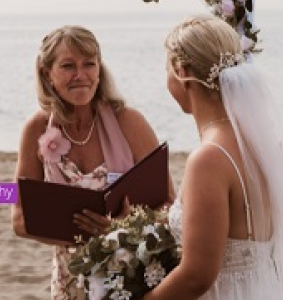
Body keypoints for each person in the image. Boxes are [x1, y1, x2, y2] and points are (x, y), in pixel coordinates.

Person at [138, 14, 283, 300]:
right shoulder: (258, 145)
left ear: (181, 70)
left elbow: (197, 275)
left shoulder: (208, 159)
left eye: (166, 69)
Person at [10, 25, 174, 300]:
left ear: (100, 69)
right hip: (70, 277)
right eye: (67, 66)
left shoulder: (129, 121)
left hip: (131, 274)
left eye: (89, 64)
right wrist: (79, 232)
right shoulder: (35, 129)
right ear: (46, 73)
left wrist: (122, 228)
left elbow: (170, 203)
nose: (80, 75)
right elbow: (19, 219)